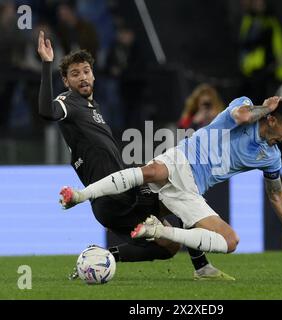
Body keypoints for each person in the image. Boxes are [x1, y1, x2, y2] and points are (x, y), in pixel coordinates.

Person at [37, 31, 233, 280]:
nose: (83, 77)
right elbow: (46, 111)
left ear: (94, 75)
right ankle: (203, 269)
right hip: (114, 197)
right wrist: (46, 64)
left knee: (169, 246)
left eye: (86, 71)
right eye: (75, 74)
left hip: (113, 201)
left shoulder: (92, 108)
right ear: (65, 81)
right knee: (181, 193)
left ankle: (101, 258)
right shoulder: (68, 102)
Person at [61, 94, 282, 263]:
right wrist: (265, 107)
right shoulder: (244, 106)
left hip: (193, 190)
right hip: (182, 159)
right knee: (151, 171)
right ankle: (81, 195)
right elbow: (242, 116)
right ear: (273, 119)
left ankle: (160, 231)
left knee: (230, 242)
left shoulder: (271, 156)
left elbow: (277, 196)